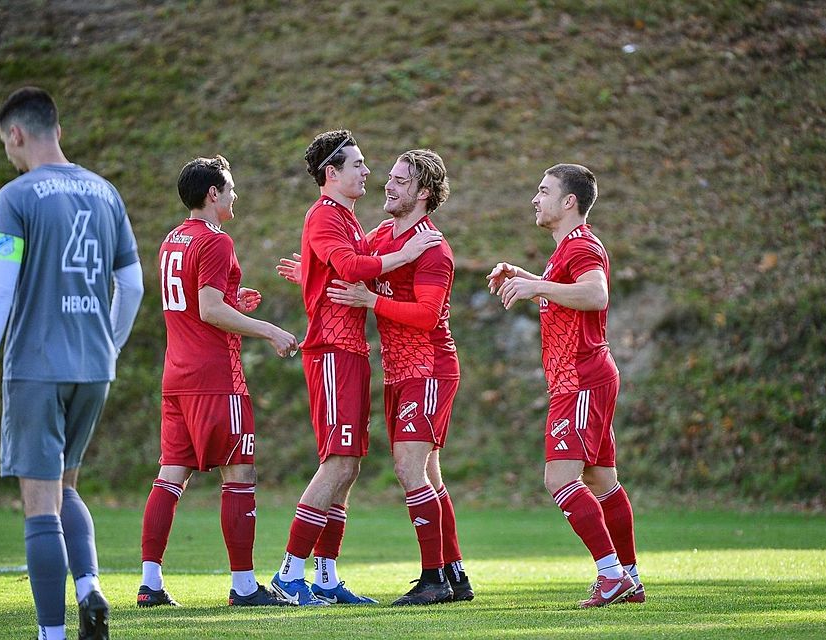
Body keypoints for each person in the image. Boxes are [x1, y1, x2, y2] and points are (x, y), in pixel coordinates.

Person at [0, 87, 144, 640]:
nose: (8, 153)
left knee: (39, 502)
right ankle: (89, 586)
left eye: (5, 142)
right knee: (68, 488)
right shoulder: (105, 192)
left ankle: (51, 633)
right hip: (93, 365)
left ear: (17, 134)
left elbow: (0, 286)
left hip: (36, 367)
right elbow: (131, 283)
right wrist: (110, 343)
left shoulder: (17, 196)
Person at [269, 130, 441, 606]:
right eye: (358, 164)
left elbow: (340, 264)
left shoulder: (343, 216)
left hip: (350, 351)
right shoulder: (324, 215)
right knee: (338, 461)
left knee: (350, 466)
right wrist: (405, 254)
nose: (368, 172)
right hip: (329, 350)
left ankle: (325, 576)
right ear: (332, 173)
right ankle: (288, 574)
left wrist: (309, 271)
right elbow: (349, 264)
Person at [137, 155, 299, 608]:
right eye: (229, 188)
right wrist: (269, 329)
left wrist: (233, 301)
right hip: (214, 377)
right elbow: (208, 310)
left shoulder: (173, 240)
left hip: (176, 376)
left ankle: (150, 582)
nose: (234, 195)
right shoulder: (216, 241)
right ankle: (245, 586)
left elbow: (199, 304)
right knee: (240, 472)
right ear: (213, 194)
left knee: (170, 476)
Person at [486, 163, 644, 608]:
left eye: (543, 191)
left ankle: (611, 575)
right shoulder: (565, 251)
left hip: (580, 380)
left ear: (568, 201)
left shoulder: (582, 246)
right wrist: (528, 278)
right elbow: (563, 293)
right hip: (585, 377)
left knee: (560, 479)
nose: (535, 199)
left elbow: (595, 294)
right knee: (601, 479)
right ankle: (629, 576)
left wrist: (537, 284)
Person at [325, 149, 473, 605]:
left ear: (423, 193)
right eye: (388, 178)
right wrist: (310, 276)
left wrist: (370, 303)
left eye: (400, 181)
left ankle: (432, 581)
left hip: (429, 369)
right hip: (399, 373)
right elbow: (352, 267)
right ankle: (454, 575)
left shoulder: (433, 248)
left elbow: (428, 316)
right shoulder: (383, 235)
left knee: (410, 469)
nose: (387, 186)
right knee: (428, 473)